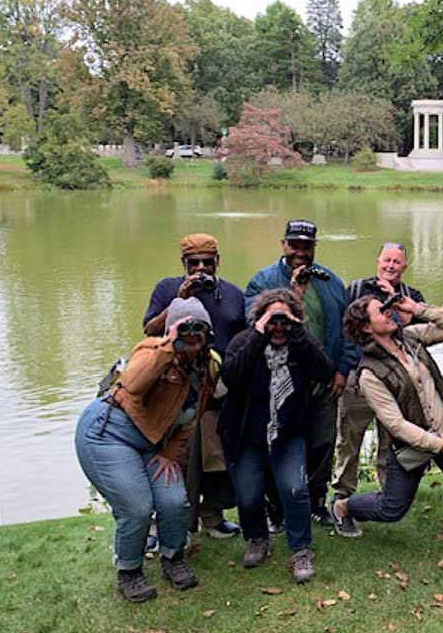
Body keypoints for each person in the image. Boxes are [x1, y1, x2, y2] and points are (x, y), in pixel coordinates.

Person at [74, 298, 214, 602]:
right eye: (185, 328)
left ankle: (173, 558)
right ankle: (129, 571)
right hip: (107, 433)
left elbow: (193, 417)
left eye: (198, 329)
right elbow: (134, 385)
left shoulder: (207, 367)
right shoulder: (150, 350)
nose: (192, 336)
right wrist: (169, 345)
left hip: (152, 444)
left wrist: (170, 453)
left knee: (175, 500)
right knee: (136, 507)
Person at [333, 295, 443, 571]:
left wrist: (416, 309)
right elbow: (397, 425)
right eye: (381, 311)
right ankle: (344, 507)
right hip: (411, 444)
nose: (389, 312)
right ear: (366, 327)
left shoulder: (411, 337)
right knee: (392, 509)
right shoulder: (369, 374)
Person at [245, 220, 358, 528]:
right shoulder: (263, 281)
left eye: (306, 246)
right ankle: (276, 507)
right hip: (279, 382)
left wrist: (343, 370)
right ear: (283, 244)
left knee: (322, 442)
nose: (300, 252)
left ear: (314, 248)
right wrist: (293, 292)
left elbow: (349, 331)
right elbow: (252, 327)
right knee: (278, 443)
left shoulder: (331, 282)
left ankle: (317, 500)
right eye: (294, 245)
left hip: (324, 381)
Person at [218, 289, 336, 582]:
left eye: (285, 320)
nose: (279, 327)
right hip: (246, 435)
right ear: (259, 320)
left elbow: (325, 371)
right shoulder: (244, 342)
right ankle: (257, 538)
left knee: (295, 489)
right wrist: (259, 335)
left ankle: (301, 550)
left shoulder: (299, 346)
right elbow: (231, 377)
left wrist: (300, 333)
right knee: (248, 496)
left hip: (288, 433)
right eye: (273, 320)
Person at [142, 233, 245, 540]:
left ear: (218, 262)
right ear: (183, 263)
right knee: (174, 460)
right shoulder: (166, 288)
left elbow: (243, 338)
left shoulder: (233, 294)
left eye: (207, 262)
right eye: (194, 262)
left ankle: (212, 517)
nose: (201, 268)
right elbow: (148, 330)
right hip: (176, 392)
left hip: (218, 391)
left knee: (217, 460)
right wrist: (179, 298)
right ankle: (161, 524)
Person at [332, 242, 424, 534]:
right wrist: (346, 371)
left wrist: (396, 304)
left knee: (390, 441)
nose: (391, 266)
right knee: (349, 439)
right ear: (377, 260)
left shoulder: (411, 297)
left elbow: (417, 337)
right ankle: (342, 494)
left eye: (397, 262)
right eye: (387, 260)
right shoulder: (357, 290)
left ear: (405, 266)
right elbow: (344, 333)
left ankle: (387, 495)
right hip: (359, 380)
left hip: (394, 386)